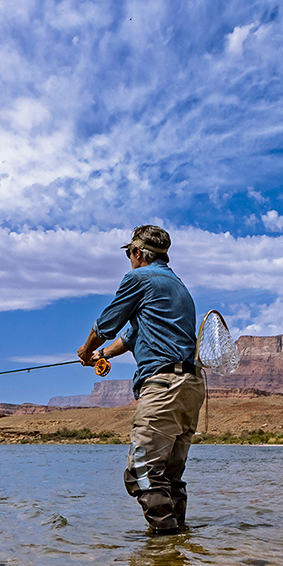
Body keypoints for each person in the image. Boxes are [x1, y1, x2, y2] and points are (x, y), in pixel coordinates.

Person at [77, 225, 205, 535]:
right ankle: (178, 557)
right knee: (168, 478)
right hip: (191, 388)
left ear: (137, 253)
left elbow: (107, 323)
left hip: (163, 387)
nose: (129, 260)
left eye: (129, 254)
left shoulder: (138, 278)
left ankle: (163, 547)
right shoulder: (178, 287)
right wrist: (103, 354)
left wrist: (86, 350)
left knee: (141, 473)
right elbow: (133, 335)